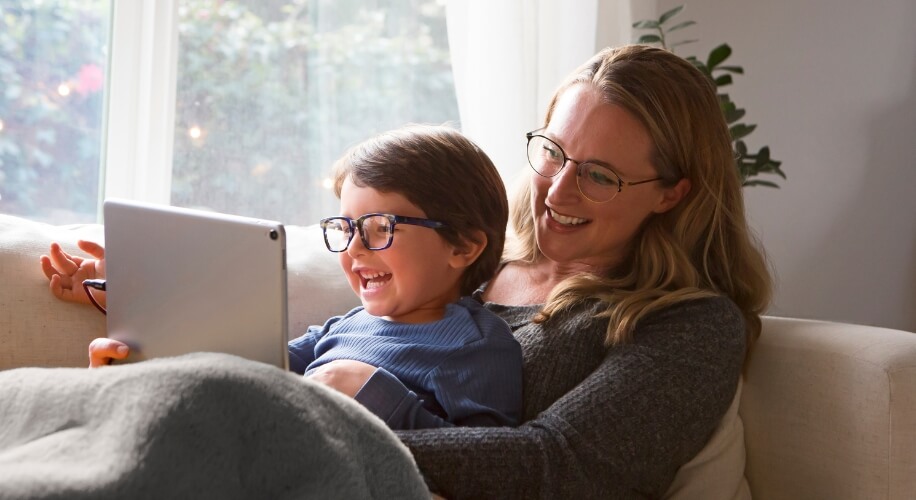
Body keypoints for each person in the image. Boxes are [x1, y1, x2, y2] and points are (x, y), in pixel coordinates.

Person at [44, 44, 771, 498]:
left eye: (600, 176)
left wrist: (320, 424)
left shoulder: (690, 324)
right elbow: (289, 339)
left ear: (673, 193)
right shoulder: (471, 268)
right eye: (552, 151)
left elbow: (558, 468)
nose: (555, 190)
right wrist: (147, 288)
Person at [41, 125, 523, 431]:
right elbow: (244, 361)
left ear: (463, 245)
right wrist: (142, 297)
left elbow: (486, 463)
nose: (354, 249)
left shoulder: (477, 346)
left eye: (380, 228)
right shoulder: (344, 328)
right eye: (346, 227)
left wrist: (375, 394)